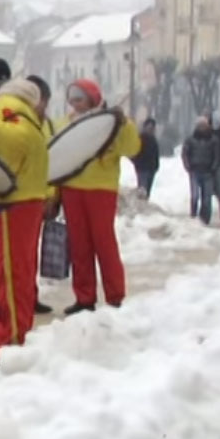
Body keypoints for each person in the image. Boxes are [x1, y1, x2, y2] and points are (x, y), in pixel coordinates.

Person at [0, 78, 48, 366]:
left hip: (11, 202)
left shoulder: (4, 106)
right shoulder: (27, 113)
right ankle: (17, 337)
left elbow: (16, 140)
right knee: (22, 273)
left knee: (9, 276)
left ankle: (10, 344)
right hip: (26, 199)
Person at [57, 79, 140, 314]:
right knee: (79, 245)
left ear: (92, 98)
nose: (75, 105)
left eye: (79, 99)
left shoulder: (113, 122)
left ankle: (115, 295)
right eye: (72, 100)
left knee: (104, 242)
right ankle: (84, 297)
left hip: (101, 189)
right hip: (72, 187)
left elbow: (132, 149)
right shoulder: (66, 123)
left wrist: (124, 126)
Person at [25, 74, 56, 315]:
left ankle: (30, 295)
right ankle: (17, 297)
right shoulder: (16, 123)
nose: (41, 106)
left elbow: (55, 162)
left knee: (31, 253)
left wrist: (52, 195)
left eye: (44, 101)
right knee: (18, 255)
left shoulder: (50, 127)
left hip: (40, 196)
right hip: (18, 197)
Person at [182, 117, 220, 225]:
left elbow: (217, 155)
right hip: (194, 171)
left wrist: (214, 167)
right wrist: (187, 166)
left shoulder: (213, 140)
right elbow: (185, 153)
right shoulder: (190, 139)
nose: (202, 128)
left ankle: (205, 219)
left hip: (208, 172)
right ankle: (193, 216)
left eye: (204, 125)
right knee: (194, 196)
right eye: (200, 126)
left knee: (207, 198)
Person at [132, 118, 161, 200]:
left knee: (147, 190)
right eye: (149, 127)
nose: (151, 129)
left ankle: (145, 204)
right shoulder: (140, 138)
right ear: (145, 127)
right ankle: (141, 205)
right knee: (142, 189)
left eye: (152, 127)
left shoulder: (153, 139)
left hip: (151, 168)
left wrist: (156, 165)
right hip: (142, 167)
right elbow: (134, 152)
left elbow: (156, 153)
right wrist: (136, 162)